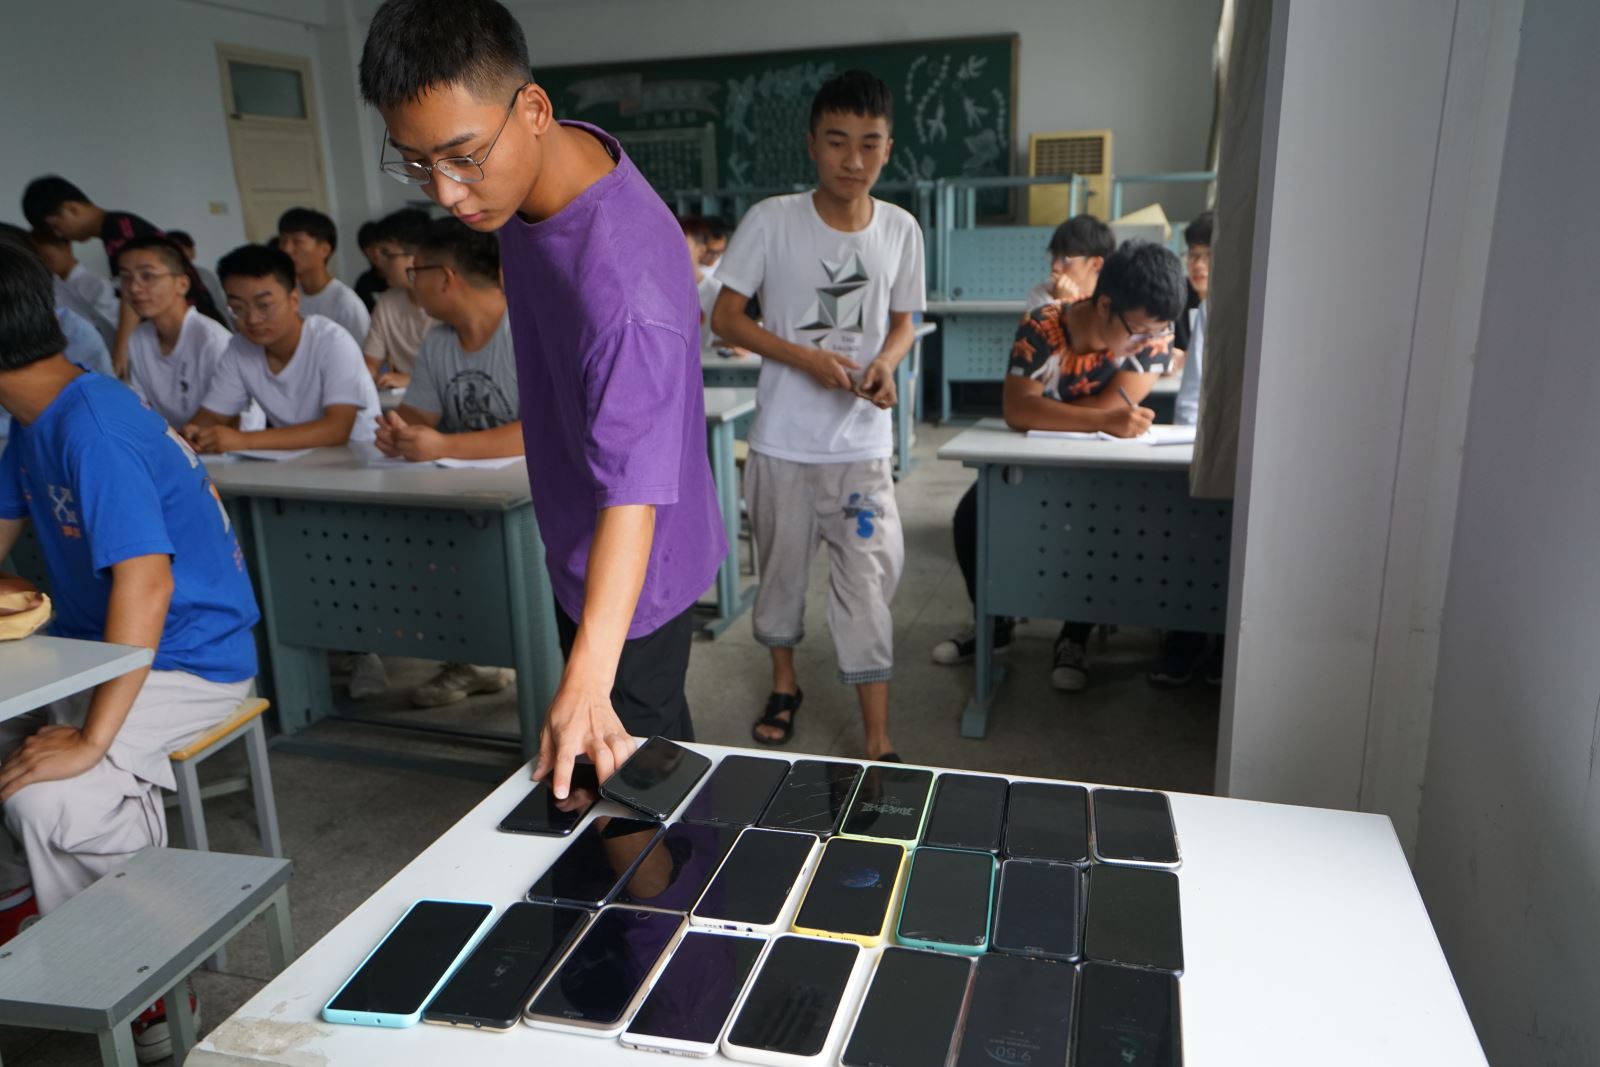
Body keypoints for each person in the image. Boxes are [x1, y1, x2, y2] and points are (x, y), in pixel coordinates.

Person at [360, 0, 725, 796]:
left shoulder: (626, 294)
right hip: (579, 527)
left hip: (635, 565)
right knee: (631, 760)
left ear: (533, 109)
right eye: (417, 163)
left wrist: (589, 675)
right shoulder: (541, 163)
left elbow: (633, 500)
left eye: (462, 158)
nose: (448, 193)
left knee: (633, 779)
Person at [0, 235, 259, 1060]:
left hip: (190, 658)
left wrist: (90, 739)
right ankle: (37, 914)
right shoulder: (33, 419)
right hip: (100, 650)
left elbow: (147, 587)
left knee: (50, 798)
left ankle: (151, 981)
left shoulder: (94, 427)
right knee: (16, 760)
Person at [710, 70, 925, 761]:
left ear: (888, 148)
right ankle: (785, 683)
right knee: (779, 576)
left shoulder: (901, 229)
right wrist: (805, 359)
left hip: (861, 447)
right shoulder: (772, 221)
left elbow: (904, 322)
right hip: (783, 443)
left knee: (867, 587)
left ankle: (878, 738)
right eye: (837, 141)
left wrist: (886, 362)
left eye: (869, 143)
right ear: (811, 144)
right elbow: (726, 318)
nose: (853, 159)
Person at [931, 241, 1185, 691]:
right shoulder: (1043, 325)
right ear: (1105, 305)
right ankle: (994, 623)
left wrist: (1060, 412)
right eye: (1139, 331)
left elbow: (1109, 408)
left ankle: (1074, 636)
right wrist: (1098, 418)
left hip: (1100, 463)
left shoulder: (1155, 336)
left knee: (1098, 527)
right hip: (1033, 456)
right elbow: (1018, 410)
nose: (1148, 342)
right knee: (972, 517)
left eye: (1156, 332)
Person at [376, 217, 522, 707]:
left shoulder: (525, 328)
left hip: (534, 500)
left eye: (416, 272)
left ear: (446, 277)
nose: (410, 283)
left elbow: (541, 432)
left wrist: (442, 446)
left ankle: (509, 660)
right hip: (465, 495)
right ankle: (475, 660)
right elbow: (419, 415)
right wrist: (400, 433)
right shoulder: (439, 339)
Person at [183, 243, 380, 452]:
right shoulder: (240, 349)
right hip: (293, 461)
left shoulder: (332, 342)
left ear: (294, 300)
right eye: (238, 308)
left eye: (264, 305)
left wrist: (244, 440)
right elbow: (213, 414)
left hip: (359, 457)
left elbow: (336, 430)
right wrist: (194, 433)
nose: (252, 319)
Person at [1148, 211, 1219, 687]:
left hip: (1226, 444)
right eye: (1193, 255)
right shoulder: (1194, 305)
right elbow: (1192, 395)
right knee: (1191, 536)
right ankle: (1187, 637)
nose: (1198, 265)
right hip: (1194, 440)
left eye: (1208, 256)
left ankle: (1213, 643)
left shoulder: (1235, 306)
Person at [118, 236, 234, 430]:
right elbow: (142, 408)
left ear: (182, 284)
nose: (134, 288)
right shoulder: (139, 338)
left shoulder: (211, 340)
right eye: (126, 277)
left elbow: (236, 418)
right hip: (172, 442)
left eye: (148, 276)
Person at [20, 176, 162, 276]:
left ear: (71, 209)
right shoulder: (117, 225)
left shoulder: (118, 231)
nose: (58, 234)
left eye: (56, 226)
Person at [362, 209, 437, 388]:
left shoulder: (448, 300)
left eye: (387, 254)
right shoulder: (387, 303)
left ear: (415, 258)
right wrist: (366, 375)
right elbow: (370, 363)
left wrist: (411, 380)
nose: (379, 263)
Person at [276, 207, 371, 345]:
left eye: (297, 242)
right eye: (283, 241)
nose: (287, 249)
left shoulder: (345, 302)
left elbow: (362, 351)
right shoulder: (289, 295)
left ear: (325, 250)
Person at [27, 228, 119, 341]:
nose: (44, 264)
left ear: (67, 246)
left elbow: (112, 325)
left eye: (47, 258)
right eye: (39, 260)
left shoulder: (97, 284)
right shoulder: (50, 288)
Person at [1025, 214, 1116, 310]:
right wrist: (1060, 304)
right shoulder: (1041, 293)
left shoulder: (1113, 300)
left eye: (1065, 259)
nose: (1055, 266)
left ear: (1095, 264)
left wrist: (1067, 304)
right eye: (1054, 255)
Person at [164, 230, 233, 331]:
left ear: (192, 252)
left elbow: (221, 308)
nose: (179, 254)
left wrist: (229, 332)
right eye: (172, 250)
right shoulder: (164, 279)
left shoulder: (205, 276)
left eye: (183, 248)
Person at [353, 220, 390, 311]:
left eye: (380, 248)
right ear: (364, 252)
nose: (376, 253)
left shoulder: (399, 278)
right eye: (370, 248)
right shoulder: (364, 283)